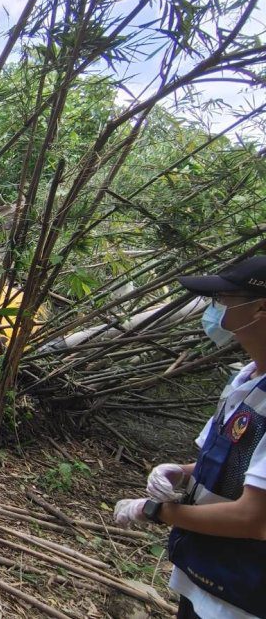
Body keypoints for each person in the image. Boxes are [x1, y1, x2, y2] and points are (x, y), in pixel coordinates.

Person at [113, 255, 266, 619]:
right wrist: (180, 472)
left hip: (243, 591)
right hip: (206, 573)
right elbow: (241, 465)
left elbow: (254, 518)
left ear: (260, 308)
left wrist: (158, 511)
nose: (216, 311)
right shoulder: (247, 379)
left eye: (224, 301)